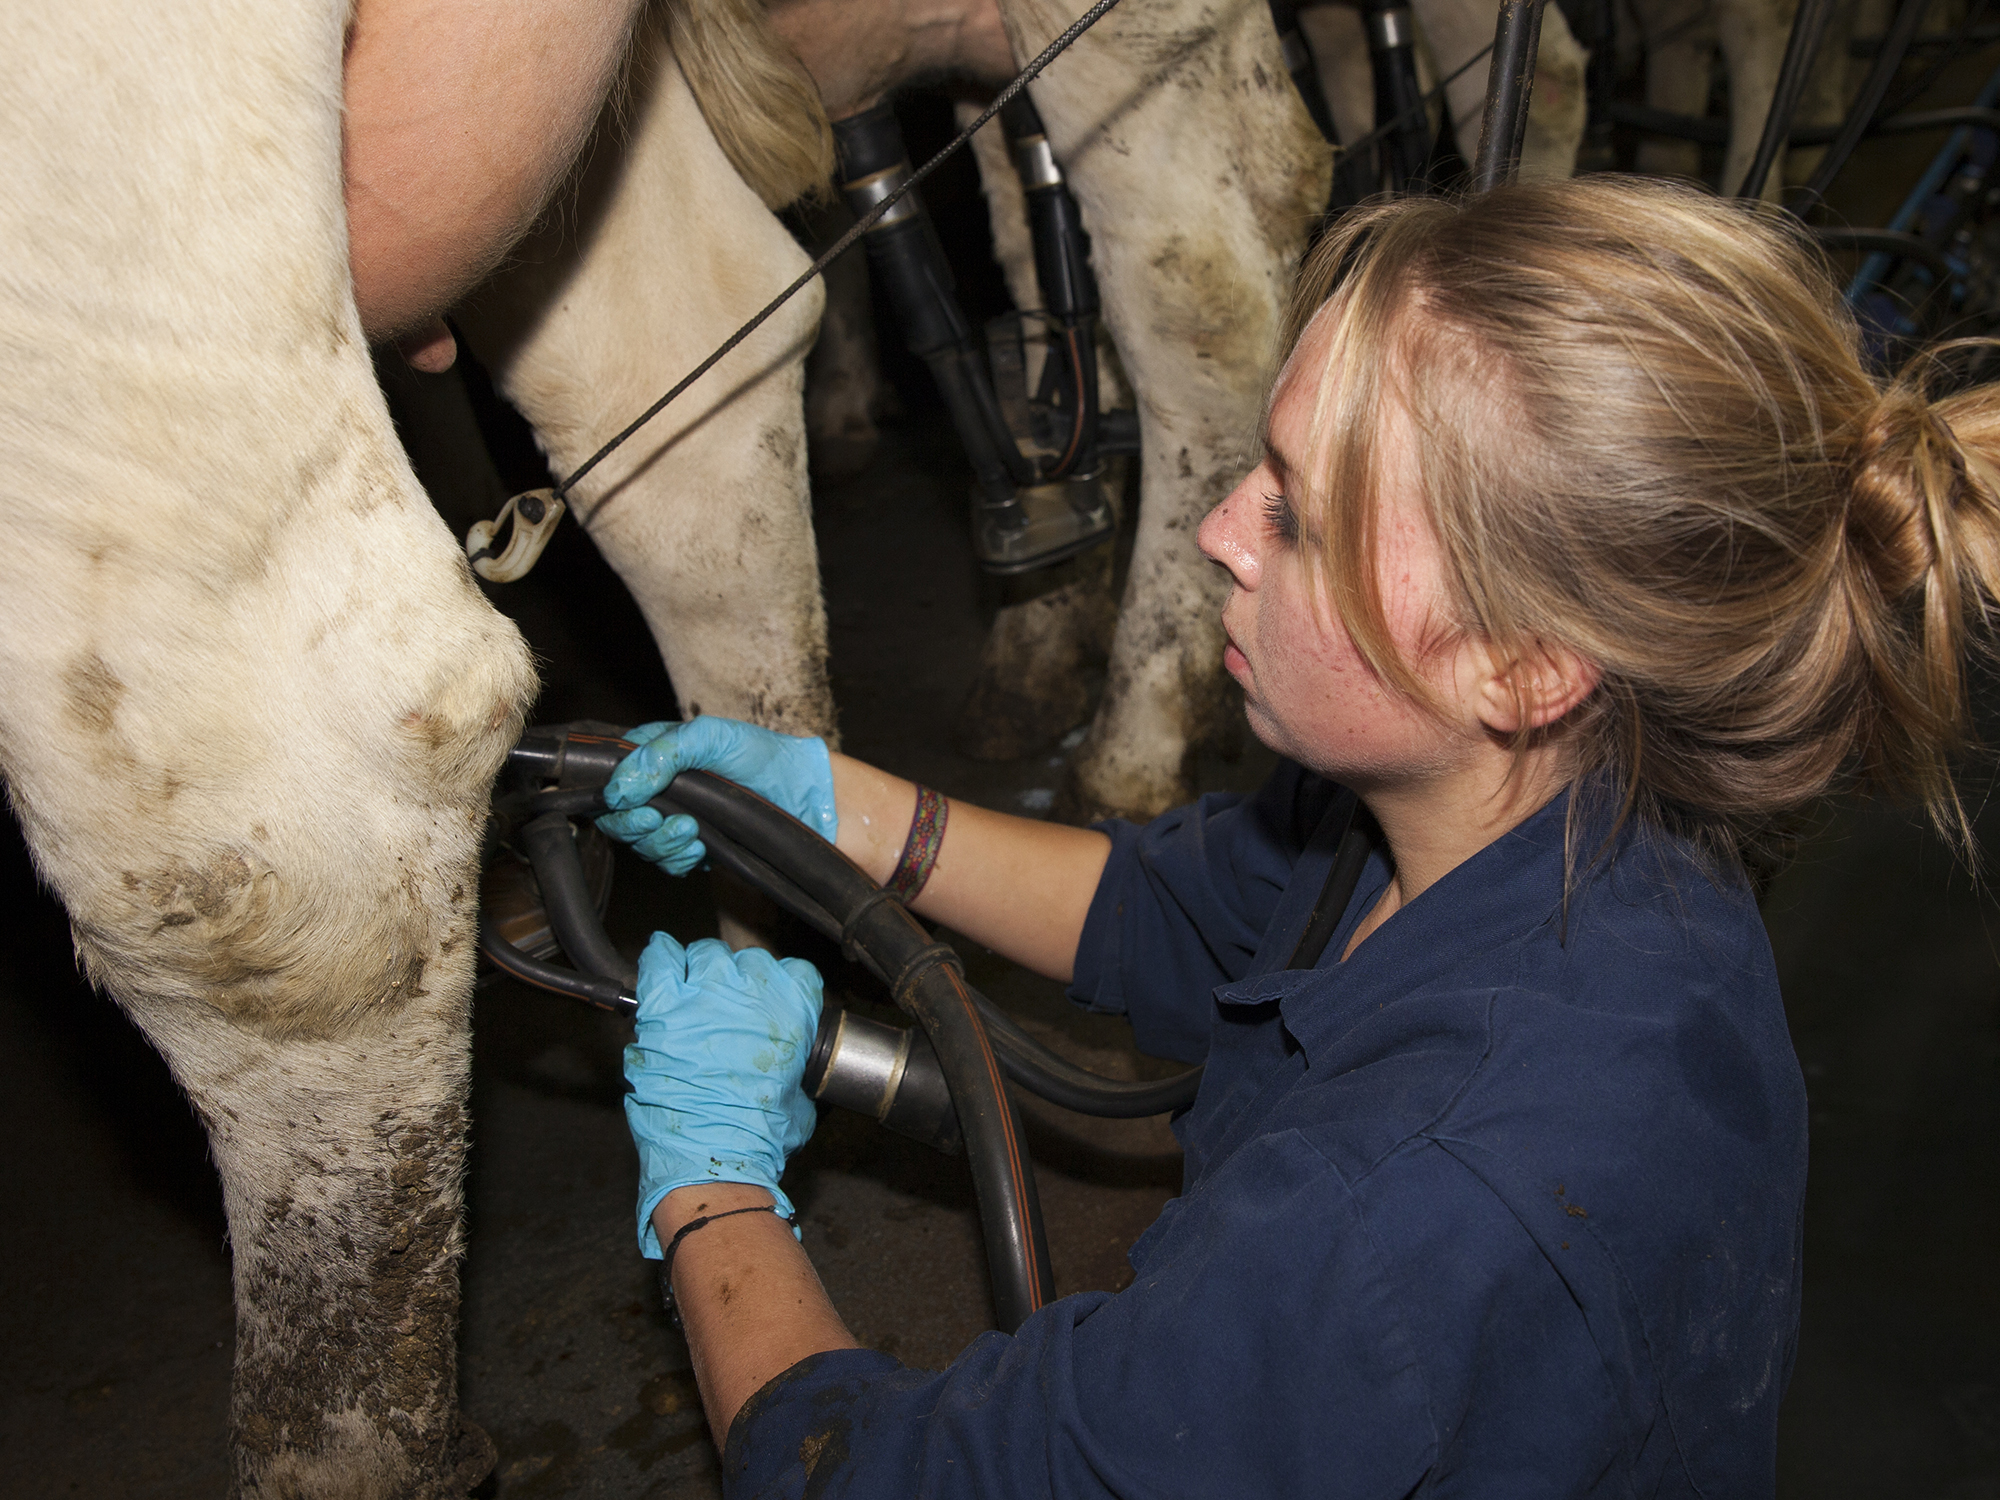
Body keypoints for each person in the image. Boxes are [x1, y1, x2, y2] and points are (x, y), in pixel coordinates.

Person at [592, 175, 2000, 1496]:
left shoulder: (1411, 1212)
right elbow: (1169, 909)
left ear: (1520, 667)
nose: (1217, 530)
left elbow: (893, 1479)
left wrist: (711, 1180)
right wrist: (839, 809)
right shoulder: (1544, 819)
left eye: (1298, 517)